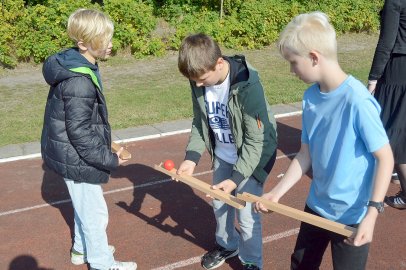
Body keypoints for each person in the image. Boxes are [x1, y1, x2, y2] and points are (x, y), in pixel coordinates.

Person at [255, 12, 394, 269]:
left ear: (314, 57)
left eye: (293, 62)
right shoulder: (310, 98)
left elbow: (385, 157)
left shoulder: (358, 101)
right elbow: (304, 154)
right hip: (316, 206)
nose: (291, 70)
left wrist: (372, 213)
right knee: (301, 264)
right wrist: (276, 193)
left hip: (351, 216)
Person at [41, 8, 137, 270]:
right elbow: (80, 132)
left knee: (85, 207)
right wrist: (110, 158)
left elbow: (81, 122)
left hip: (68, 152)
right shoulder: (79, 81)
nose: (111, 45)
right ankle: (102, 263)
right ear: (83, 43)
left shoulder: (78, 63)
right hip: (75, 156)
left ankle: (81, 250)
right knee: (95, 213)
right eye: (104, 40)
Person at [176, 33, 278, 270]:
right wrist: (191, 157)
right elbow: (200, 120)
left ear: (219, 63)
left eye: (202, 79)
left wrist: (235, 180)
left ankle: (252, 262)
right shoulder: (198, 77)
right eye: (194, 80)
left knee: (247, 215)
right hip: (224, 153)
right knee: (220, 205)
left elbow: (255, 142)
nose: (198, 84)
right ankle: (228, 244)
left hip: (255, 154)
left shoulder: (248, 86)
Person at [367, 0, 406, 210]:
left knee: (384, 131)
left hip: (397, 71)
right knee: (399, 129)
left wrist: (373, 78)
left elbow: (386, 43)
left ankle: (375, 195)